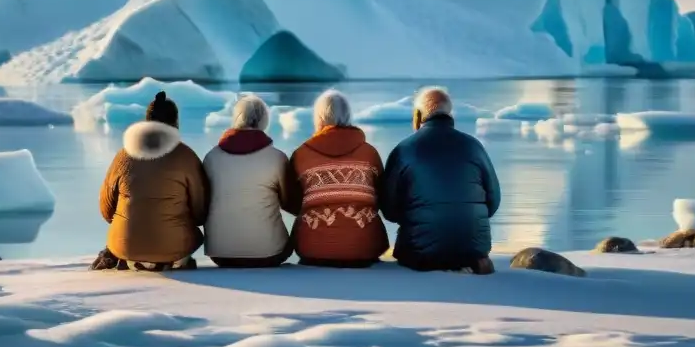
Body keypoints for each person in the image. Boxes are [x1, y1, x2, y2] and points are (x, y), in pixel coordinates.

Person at [380, 87, 501, 274]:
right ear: (449, 114)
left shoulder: (403, 150)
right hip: (474, 249)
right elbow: (493, 202)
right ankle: (468, 257)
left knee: (417, 251)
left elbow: (389, 210)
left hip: (419, 252)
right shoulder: (474, 147)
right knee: (467, 251)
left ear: (418, 116)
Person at [92, 91, 208, 271]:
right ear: (175, 123)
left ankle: (127, 255)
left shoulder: (123, 156)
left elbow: (106, 210)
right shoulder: (186, 157)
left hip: (125, 245)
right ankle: (174, 259)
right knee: (190, 235)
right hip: (174, 246)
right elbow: (201, 212)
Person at [287, 89, 389, 267]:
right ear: (348, 115)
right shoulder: (369, 153)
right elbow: (382, 198)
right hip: (364, 248)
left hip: (313, 248)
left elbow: (292, 202)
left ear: (318, 117)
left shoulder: (301, 154)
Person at [202, 95, 296, 268]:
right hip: (269, 254)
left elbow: (202, 203)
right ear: (264, 120)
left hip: (221, 254)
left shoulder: (212, 157)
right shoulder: (276, 158)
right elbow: (290, 203)